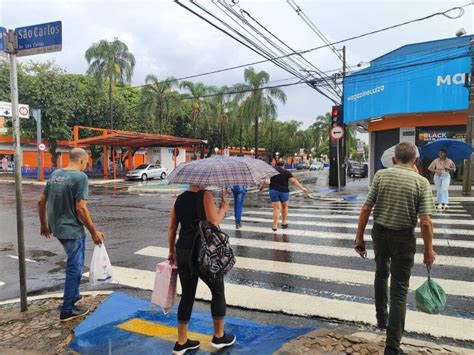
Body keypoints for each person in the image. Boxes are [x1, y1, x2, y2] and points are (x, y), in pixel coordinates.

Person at [354, 142, 436, 355]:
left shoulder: (381, 176)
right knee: (399, 290)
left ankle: (382, 318)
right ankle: (392, 346)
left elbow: (365, 208)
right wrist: (429, 251)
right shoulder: (421, 182)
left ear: (393, 159)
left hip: (380, 233)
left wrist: (359, 238)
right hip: (403, 238)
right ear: (416, 161)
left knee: (381, 273)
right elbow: (425, 221)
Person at [38, 148, 105, 322]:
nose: (87, 165)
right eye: (87, 162)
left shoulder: (55, 174)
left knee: (75, 263)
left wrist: (44, 224)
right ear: (82, 160)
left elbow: (41, 201)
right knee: (74, 268)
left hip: (57, 227)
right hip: (71, 230)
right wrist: (94, 232)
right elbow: (81, 208)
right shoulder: (80, 177)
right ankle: (67, 309)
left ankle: (74, 296)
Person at [167, 186, 236, 354]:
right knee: (218, 291)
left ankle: (182, 342)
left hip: (183, 250)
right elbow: (213, 222)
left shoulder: (179, 199)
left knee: (187, 296)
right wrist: (223, 209)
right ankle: (219, 336)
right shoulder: (205, 195)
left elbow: (172, 228)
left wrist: (171, 251)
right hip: (203, 252)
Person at [260, 160, 308, 232]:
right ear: (283, 165)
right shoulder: (286, 172)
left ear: (276, 165)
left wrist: (261, 187)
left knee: (276, 208)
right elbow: (293, 181)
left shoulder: (271, 172)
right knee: (285, 206)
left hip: (273, 191)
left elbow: (264, 180)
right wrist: (302, 188)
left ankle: (275, 225)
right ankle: (284, 222)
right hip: (284, 191)